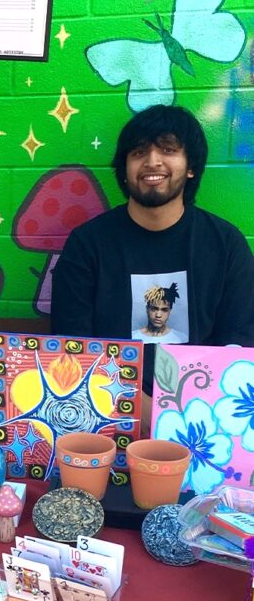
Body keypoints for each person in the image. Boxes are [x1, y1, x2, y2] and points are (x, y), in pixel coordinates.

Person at [51, 104, 254, 394]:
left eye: (168, 150)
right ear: (125, 171)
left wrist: (180, 408)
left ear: (191, 167)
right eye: (139, 152)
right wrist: (143, 407)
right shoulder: (87, 245)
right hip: (107, 402)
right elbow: (72, 346)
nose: (152, 161)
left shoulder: (226, 244)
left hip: (201, 405)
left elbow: (238, 345)